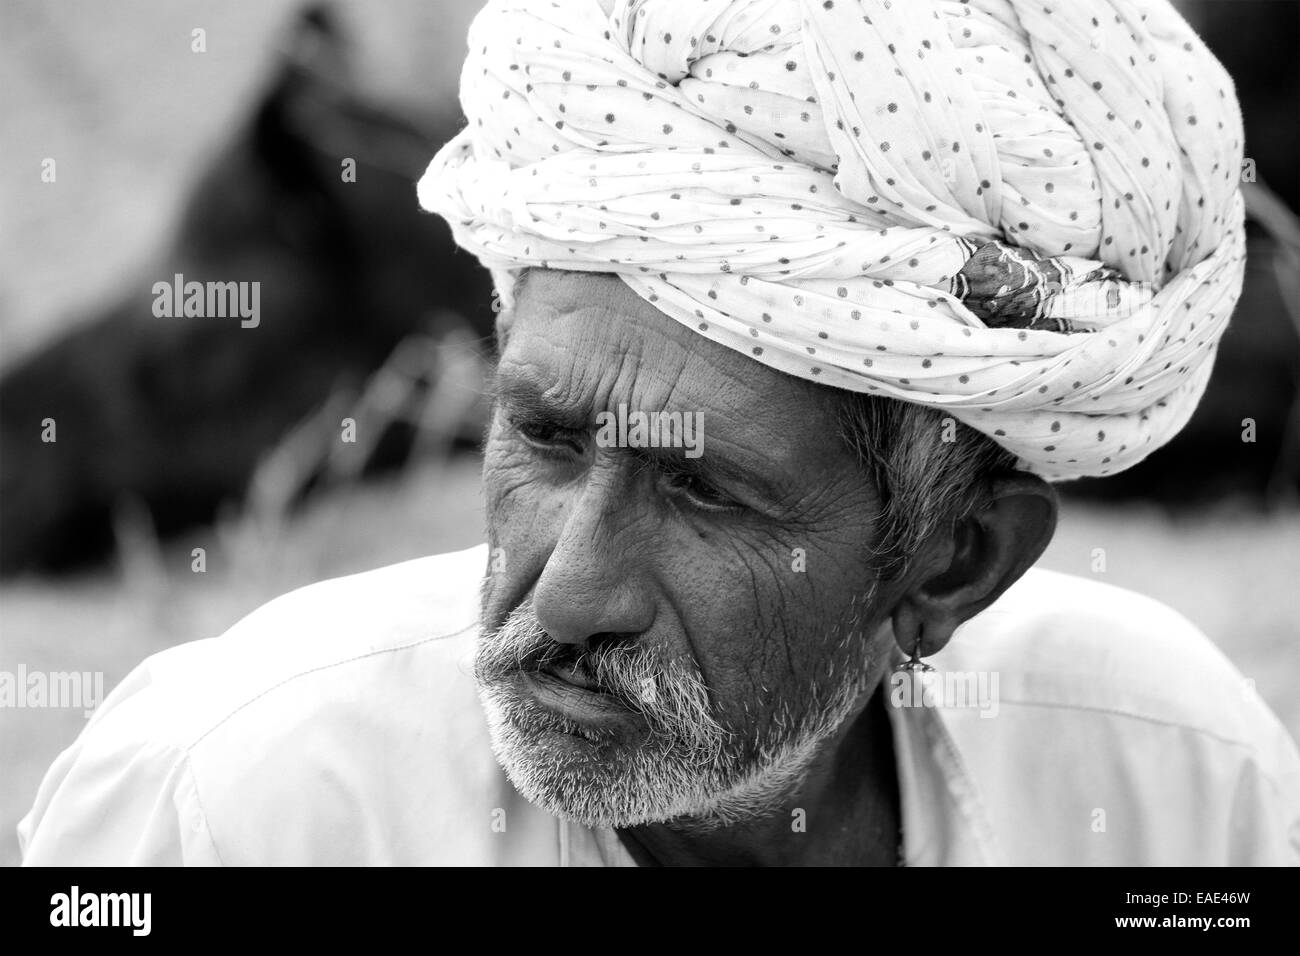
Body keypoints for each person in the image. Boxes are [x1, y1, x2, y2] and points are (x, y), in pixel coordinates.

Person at [20, 0, 1300, 865]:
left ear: (951, 564)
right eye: (543, 436)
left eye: (703, 492)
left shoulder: (1169, 783)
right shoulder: (248, 805)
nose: (567, 589)